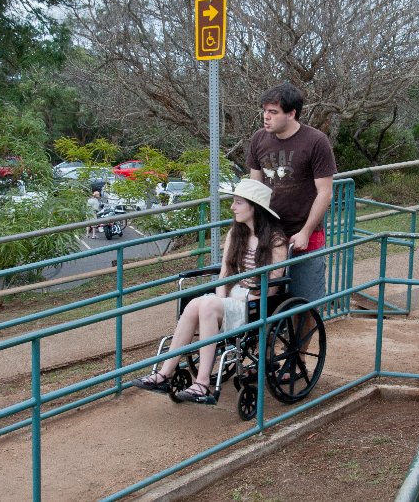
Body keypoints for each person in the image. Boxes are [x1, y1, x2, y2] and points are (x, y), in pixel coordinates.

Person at [132, 179, 288, 403]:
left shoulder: (276, 241)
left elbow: (272, 286)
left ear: (254, 207)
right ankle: (165, 373)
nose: (232, 207)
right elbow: (225, 273)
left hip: (255, 301)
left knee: (205, 304)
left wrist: (239, 296)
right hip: (231, 298)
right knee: (197, 303)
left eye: (238, 203)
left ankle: (202, 383)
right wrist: (222, 298)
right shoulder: (236, 234)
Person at [247, 83, 337, 377]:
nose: (266, 117)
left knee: (306, 302)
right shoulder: (259, 140)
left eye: (273, 112)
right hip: (270, 235)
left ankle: (295, 358)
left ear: (292, 113)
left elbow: (325, 192)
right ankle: (263, 354)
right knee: (264, 297)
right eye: (265, 111)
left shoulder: (315, 141)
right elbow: (255, 188)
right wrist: (252, 228)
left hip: (304, 234)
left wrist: (307, 231)